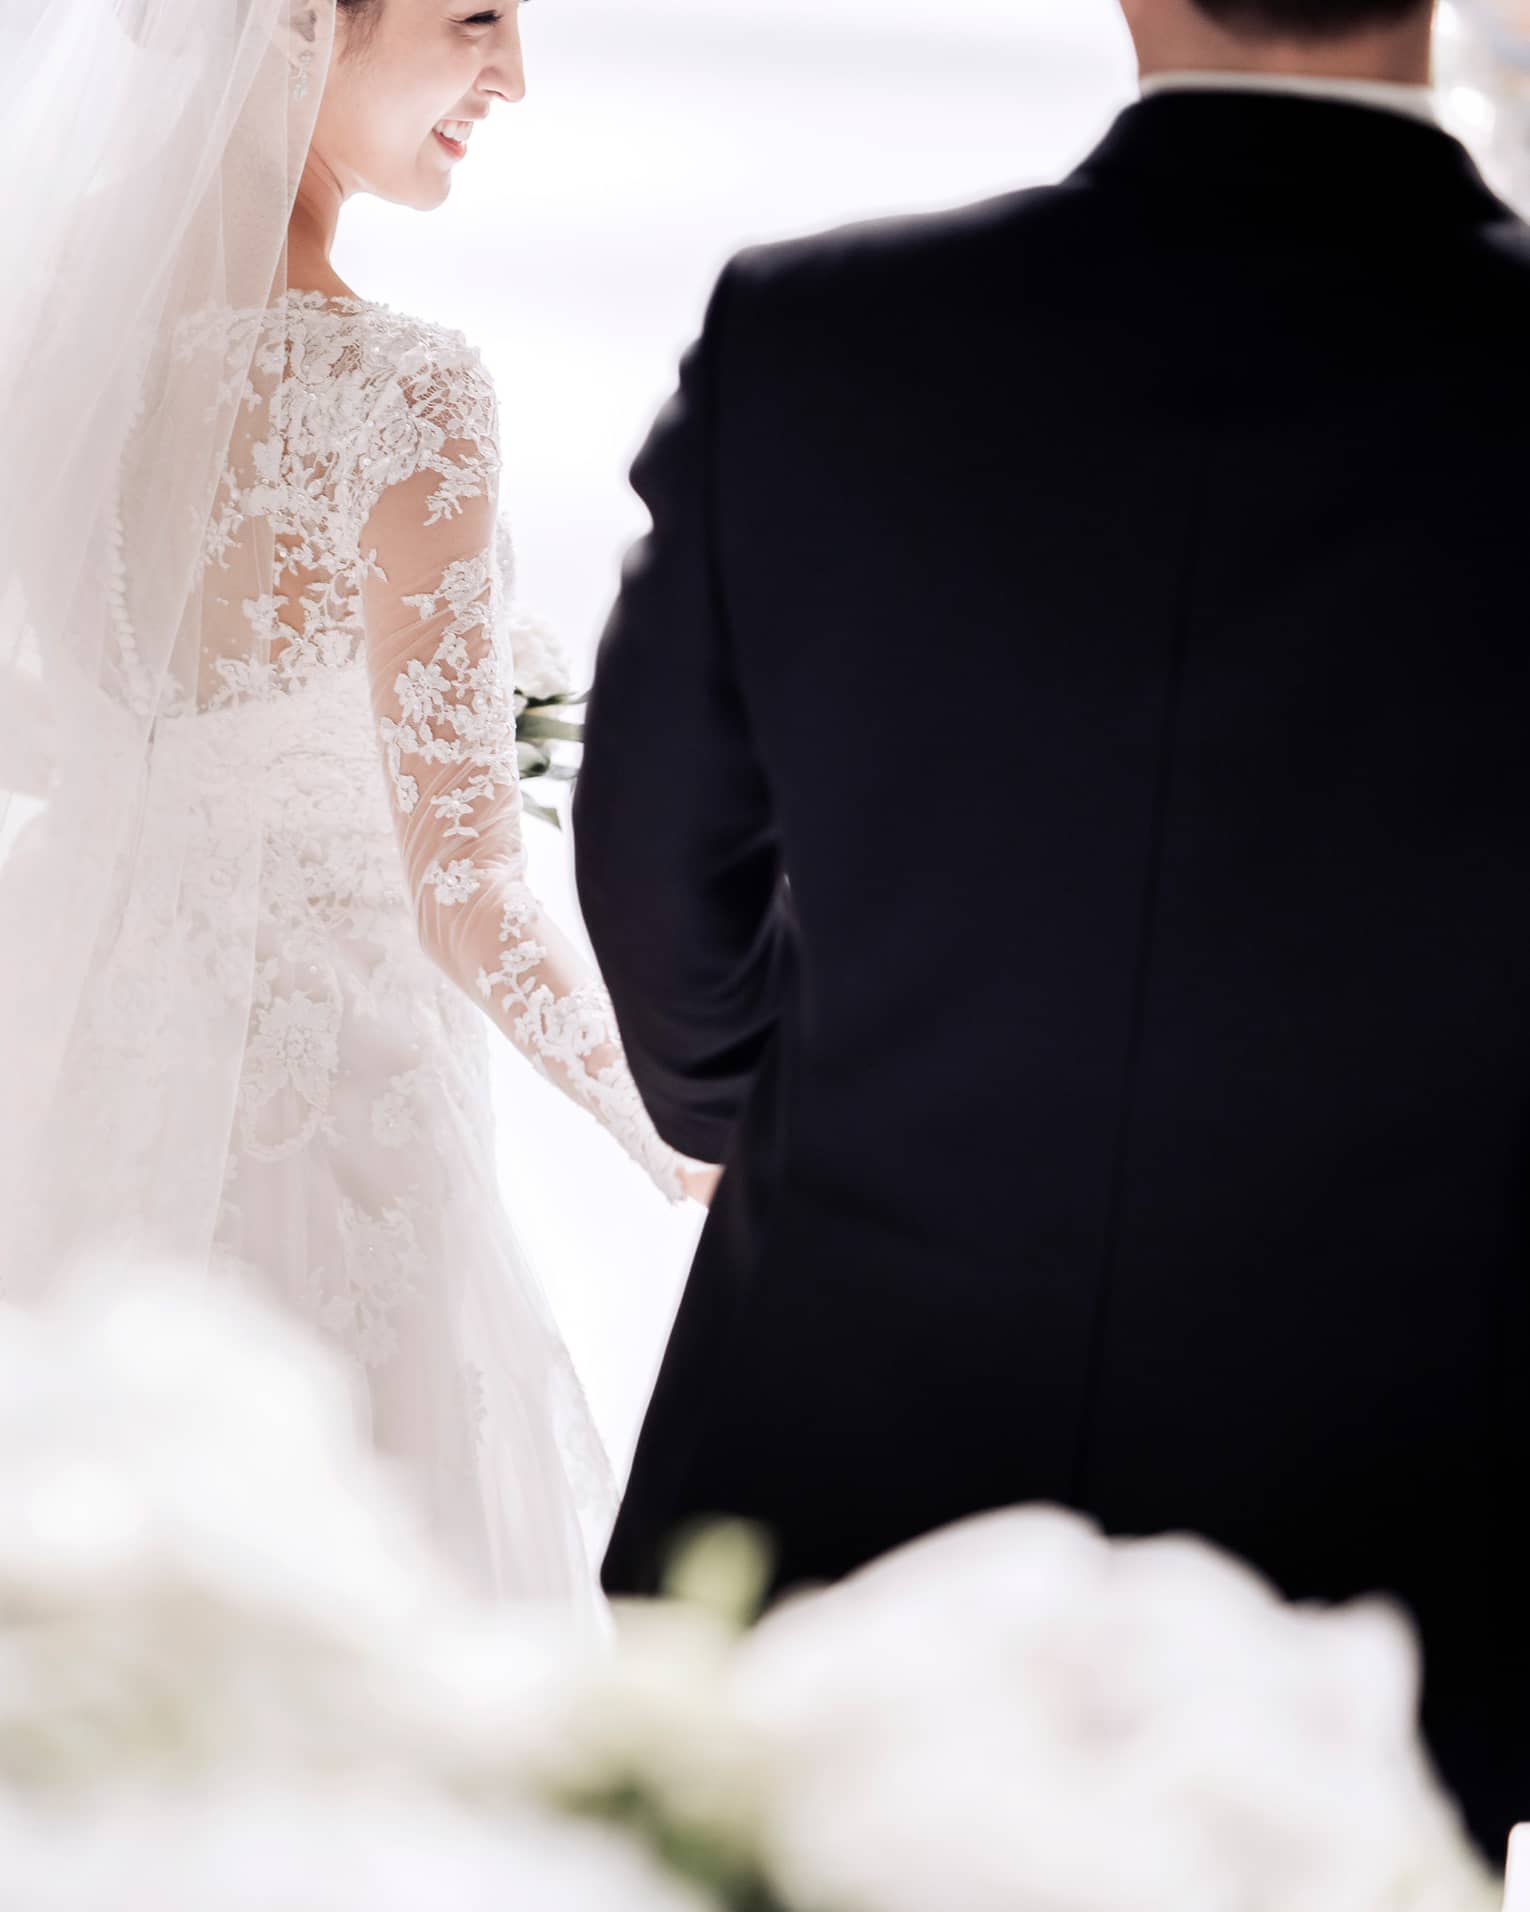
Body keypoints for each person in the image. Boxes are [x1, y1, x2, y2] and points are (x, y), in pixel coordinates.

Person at [575, 0, 1530, 1855]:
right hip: (1392, 1478)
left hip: (849, 1411)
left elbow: (653, 852)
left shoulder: (817, 329)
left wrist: (767, 1117)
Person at [0, 0, 713, 1619]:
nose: (516, 73)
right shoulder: (400, 393)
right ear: (301, 26)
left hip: (54, 1059)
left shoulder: (42, 335)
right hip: (330, 1129)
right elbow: (467, 894)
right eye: (476, 16)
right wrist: (678, 1129)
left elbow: (45, 725)